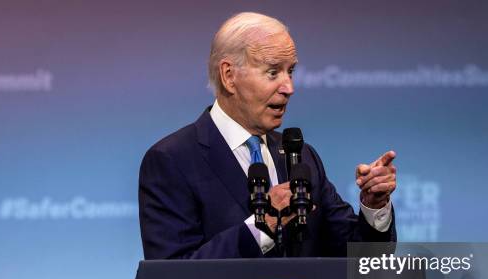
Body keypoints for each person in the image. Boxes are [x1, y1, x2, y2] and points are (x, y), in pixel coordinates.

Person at [139, 12, 397, 259]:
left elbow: (364, 260)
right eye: (273, 72)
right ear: (229, 76)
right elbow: (172, 277)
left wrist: (374, 205)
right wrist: (263, 226)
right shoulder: (173, 160)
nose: (289, 88)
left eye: (291, 71)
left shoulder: (302, 157)